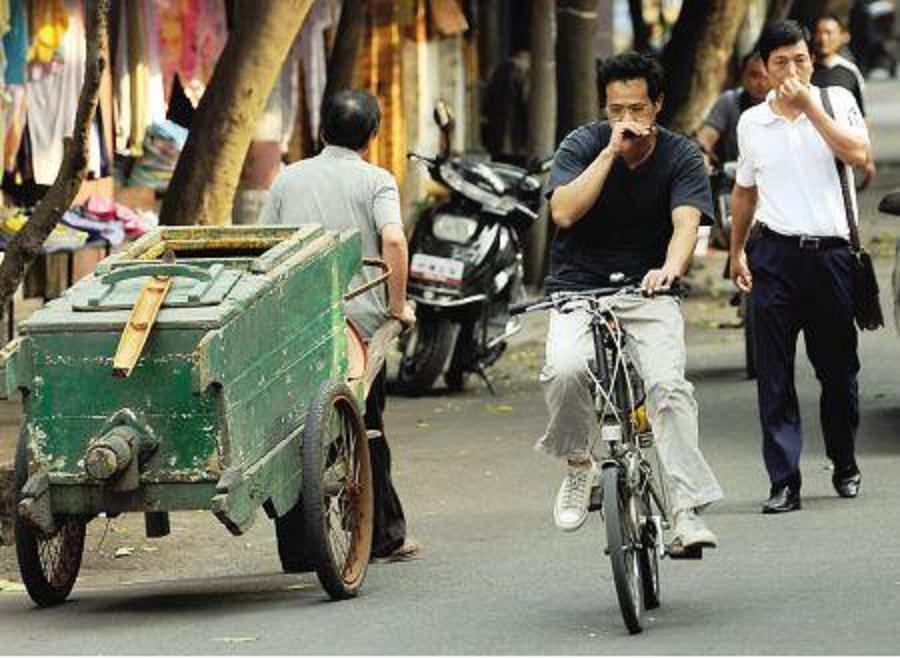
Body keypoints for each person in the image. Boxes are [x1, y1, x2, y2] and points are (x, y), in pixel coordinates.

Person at [540, 52, 723, 550]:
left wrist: (669, 269)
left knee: (668, 386)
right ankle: (580, 463)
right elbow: (563, 213)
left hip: (648, 288)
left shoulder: (682, 156)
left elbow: (686, 224)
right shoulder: (582, 145)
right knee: (565, 369)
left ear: (658, 105)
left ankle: (685, 511)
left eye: (636, 109)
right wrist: (608, 155)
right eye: (615, 109)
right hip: (579, 286)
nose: (626, 120)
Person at [260, 89, 421, 560]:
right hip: (361, 327)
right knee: (367, 425)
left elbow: (266, 245)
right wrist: (397, 306)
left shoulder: (287, 180)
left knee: (292, 432)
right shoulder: (376, 180)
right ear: (372, 136)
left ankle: (297, 549)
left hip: (299, 326)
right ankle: (384, 536)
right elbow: (393, 239)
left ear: (322, 131)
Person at [729, 20, 870, 514]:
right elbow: (744, 191)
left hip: (831, 256)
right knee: (774, 375)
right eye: (781, 62)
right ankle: (784, 480)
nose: (793, 69)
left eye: (801, 59)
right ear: (763, 70)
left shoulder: (835, 101)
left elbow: (857, 154)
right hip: (774, 256)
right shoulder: (752, 122)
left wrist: (811, 107)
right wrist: (736, 249)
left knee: (837, 371)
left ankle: (844, 460)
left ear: (812, 59)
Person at [812, 13, 877, 189]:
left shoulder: (850, 72)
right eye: (819, 32)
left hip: (842, 153)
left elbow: (861, 118)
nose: (823, 38)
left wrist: (867, 158)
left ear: (843, 36)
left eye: (829, 32)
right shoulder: (804, 70)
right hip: (810, 152)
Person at [696, 52, 771, 166]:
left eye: (768, 76)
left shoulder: (785, 105)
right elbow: (706, 137)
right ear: (744, 76)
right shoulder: (729, 101)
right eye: (755, 75)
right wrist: (701, 155)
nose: (762, 83)